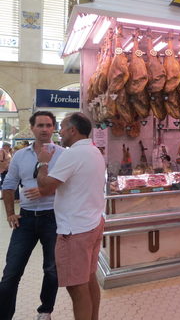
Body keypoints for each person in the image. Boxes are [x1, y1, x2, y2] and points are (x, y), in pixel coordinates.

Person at [35, 112, 105, 320]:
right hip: (92, 223)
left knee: (77, 288)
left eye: (62, 128)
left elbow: (46, 187)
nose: (59, 132)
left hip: (75, 230)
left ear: (73, 130)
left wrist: (43, 163)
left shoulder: (72, 154)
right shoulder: (94, 151)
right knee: (89, 279)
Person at [0, 111, 64, 320]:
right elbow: (8, 186)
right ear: (32, 128)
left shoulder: (63, 154)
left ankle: (45, 311)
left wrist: (47, 191)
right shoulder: (20, 155)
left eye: (48, 125)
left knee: (52, 269)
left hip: (53, 218)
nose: (45, 129)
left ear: (54, 128)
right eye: (40, 125)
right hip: (25, 219)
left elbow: (70, 186)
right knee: (11, 272)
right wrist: (10, 213)